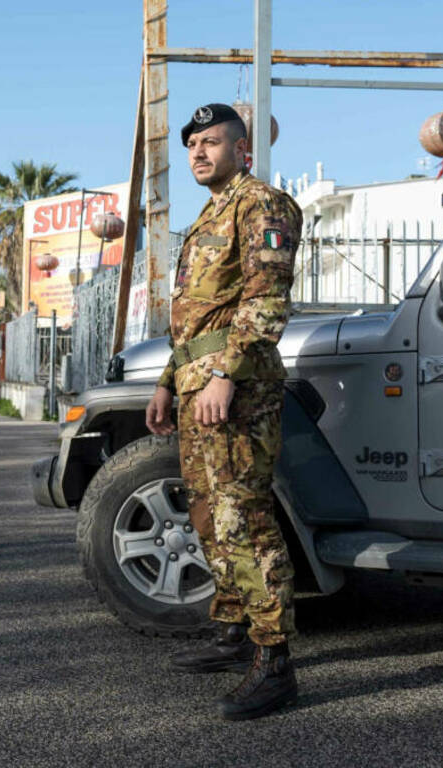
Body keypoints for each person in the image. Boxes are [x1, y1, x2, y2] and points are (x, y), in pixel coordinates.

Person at [144, 103, 302, 721]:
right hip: (197, 387)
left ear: (242, 149)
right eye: (192, 146)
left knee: (245, 519)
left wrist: (224, 376)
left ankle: (274, 662)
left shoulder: (263, 204)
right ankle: (233, 633)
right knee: (209, 516)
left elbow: (266, 301)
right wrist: (166, 383)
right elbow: (193, 319)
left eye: (211, 142)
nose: (199, 154)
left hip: (236, 390)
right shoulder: (207, 216)